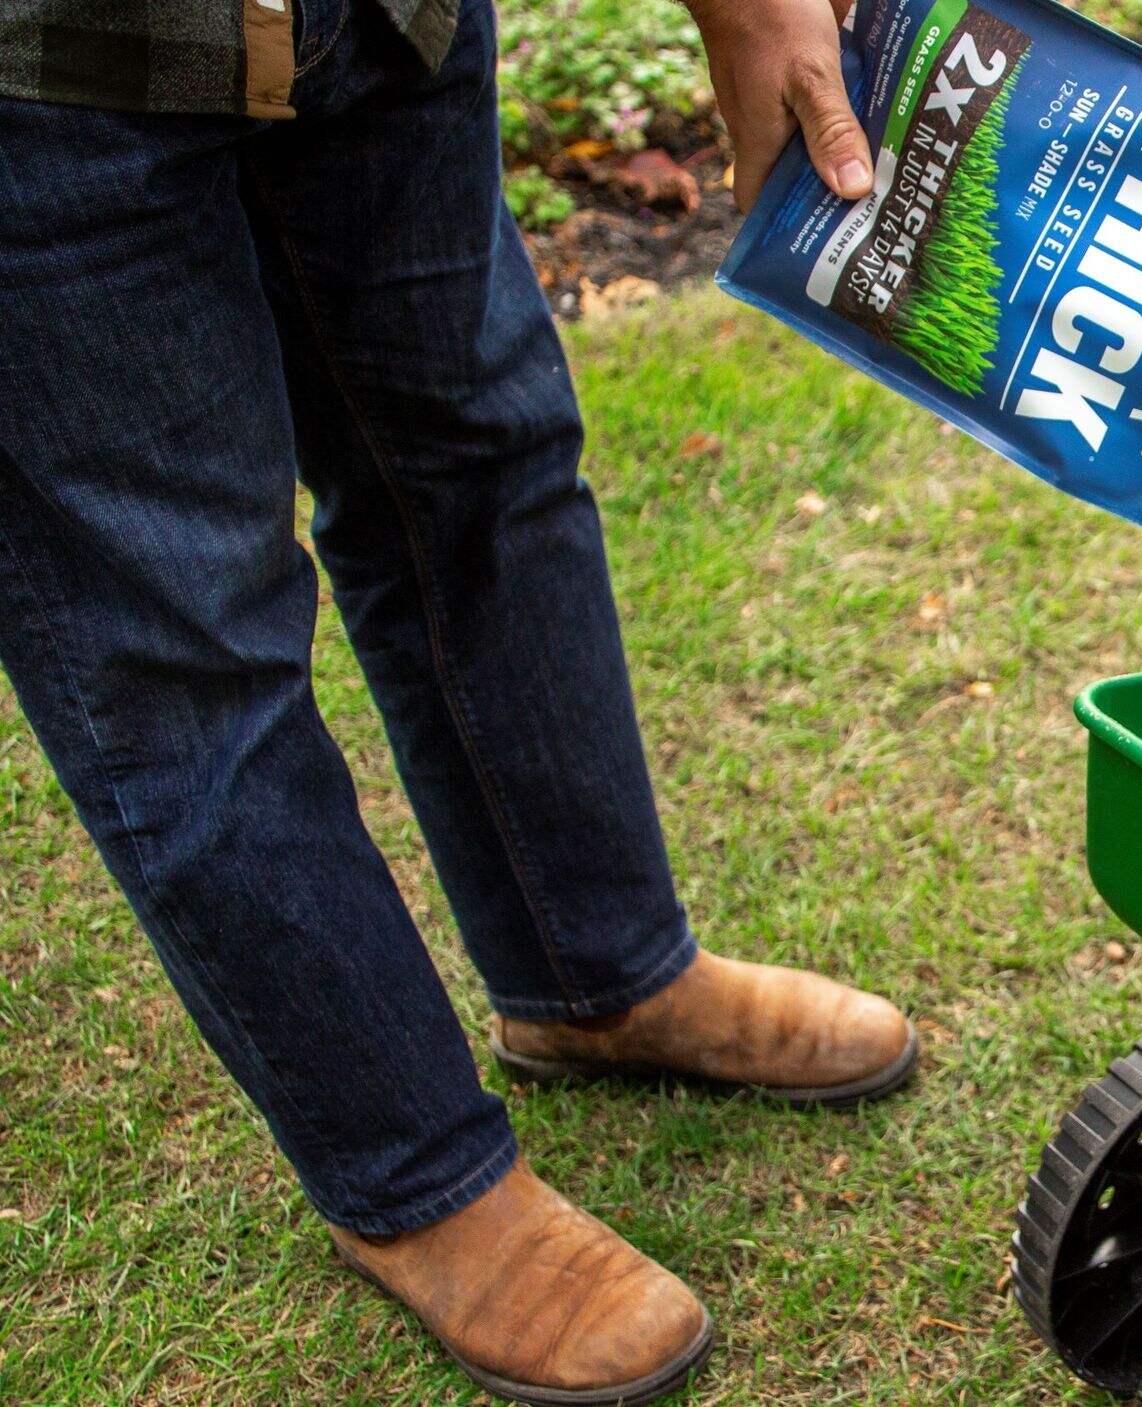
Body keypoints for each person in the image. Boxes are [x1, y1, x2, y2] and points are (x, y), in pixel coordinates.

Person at [0, 0, 898, 1401]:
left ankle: (597, 979)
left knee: (482, 465)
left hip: (381, 24)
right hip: (47, 76)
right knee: (183, 645)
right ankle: (417, 1183)